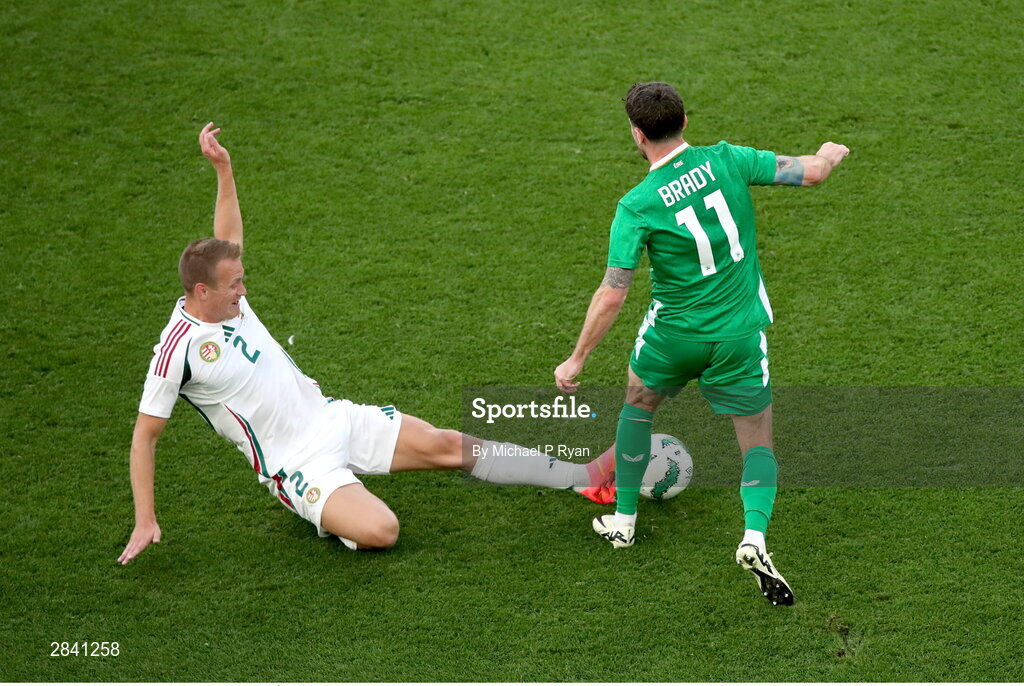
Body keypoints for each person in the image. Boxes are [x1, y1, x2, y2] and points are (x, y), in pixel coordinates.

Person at [118, 123, 614, 565]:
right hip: (297, 464)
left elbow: (227, 237)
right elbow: (145, 436)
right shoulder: (176, 351)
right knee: (384, 531)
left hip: (334, 417)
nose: (245, 293)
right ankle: (332, 514)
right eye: (235, 286)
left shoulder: (226, 293)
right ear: (201, 291)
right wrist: (146, 518)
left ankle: (581, 474)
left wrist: (223, 170)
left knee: (447, 445)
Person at [553, 82, 849, 605]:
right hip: (738, 336)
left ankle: (623, 521)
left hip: (674, 337)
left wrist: (577, 358)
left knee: (638, 405)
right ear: (685, 120)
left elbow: (613, 294)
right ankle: (754, 537)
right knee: (757, 443)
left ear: (637, 134)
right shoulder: (729, 159)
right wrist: (830, 153)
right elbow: (811, 171)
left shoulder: (636, 205)